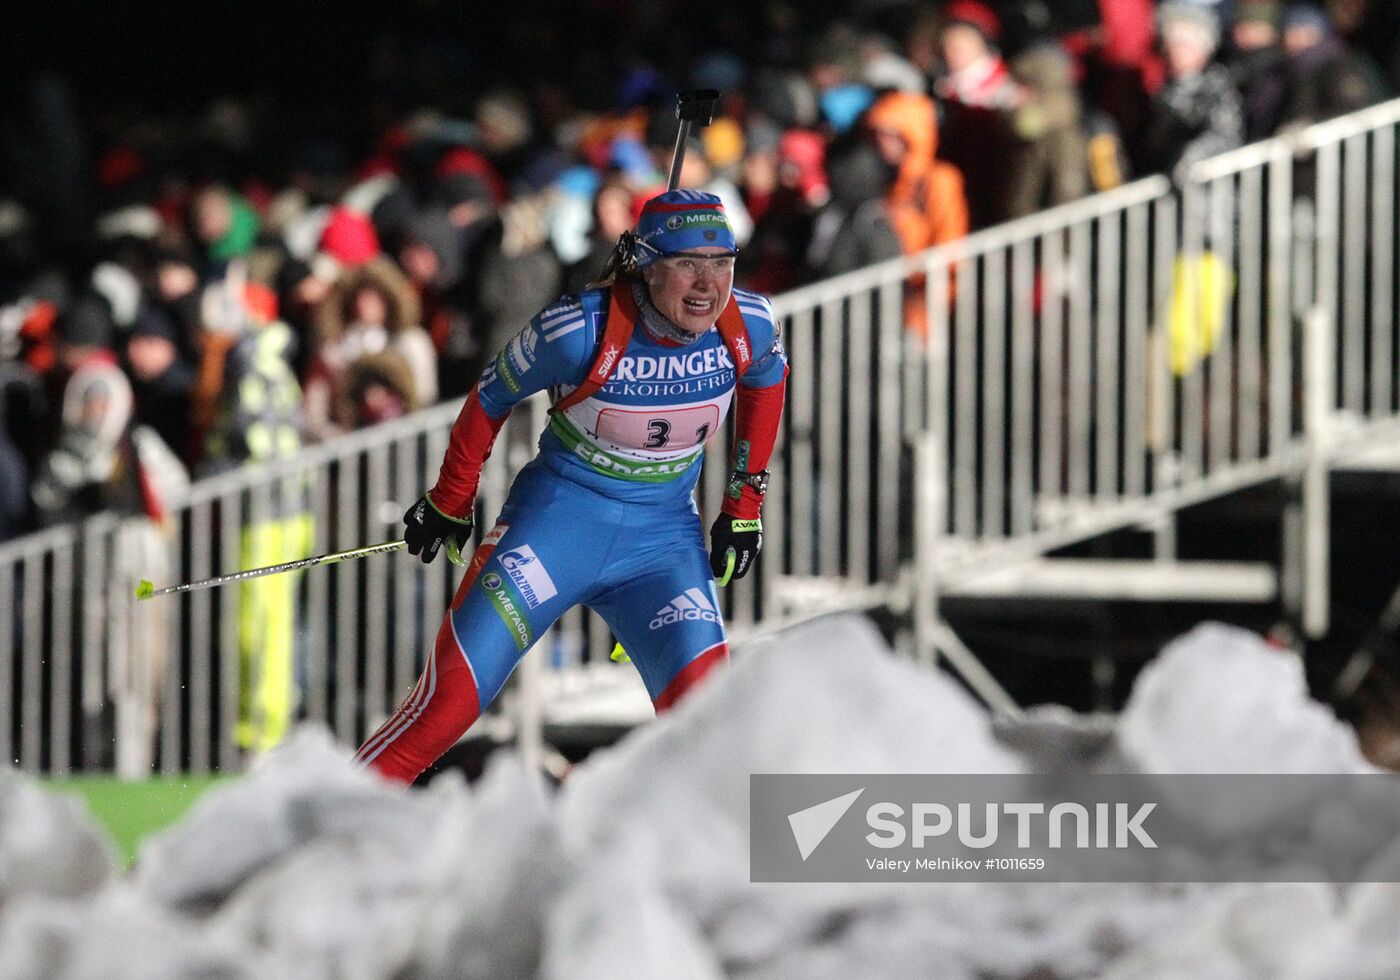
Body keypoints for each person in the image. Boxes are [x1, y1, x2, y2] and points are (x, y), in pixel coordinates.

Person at [356, 189, 788, 784]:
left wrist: (744, 507)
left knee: (711, 721)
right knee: (447, 709)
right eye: (687, 262)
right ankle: (314, 833)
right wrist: (450, 500)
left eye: (721, 263)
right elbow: (491, 396)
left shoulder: (750, 323)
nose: (707, 284)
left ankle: (725, 870)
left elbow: (768, 383)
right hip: (554, 533)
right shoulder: (582, 327)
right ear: (647, 264)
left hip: (661, 550)